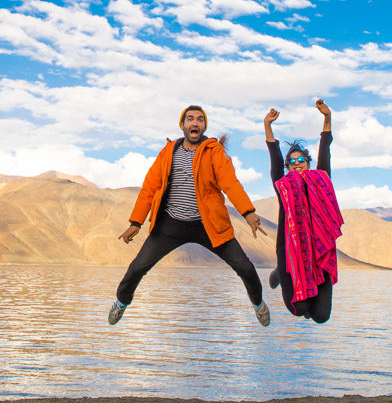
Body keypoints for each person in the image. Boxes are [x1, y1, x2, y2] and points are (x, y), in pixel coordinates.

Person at [108, 105, 271, 326]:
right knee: (137, 268)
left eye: (200, 120)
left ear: (204, 126)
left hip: (208, 225)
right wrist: (136, 222)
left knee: (246, 268)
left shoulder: (214, 152)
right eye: (190, 119)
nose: (195, 123)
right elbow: (149, 188)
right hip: (170, 224)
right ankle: (121, 302)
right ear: (182, 125)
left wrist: (248, 212)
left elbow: (230, 184)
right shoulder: (168, 153)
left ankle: (258, 304)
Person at [263, 99, 340, 323]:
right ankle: (281, 270)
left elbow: (325, 149)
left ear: (308, 162)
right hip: (290, 251)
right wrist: (268, 126)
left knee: (320, 316)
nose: (297, 163)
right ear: (287, 167)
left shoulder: (322, 179)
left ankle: (286, 275)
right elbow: (274, 159)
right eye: (292, 161)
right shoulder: (283, 185)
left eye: (301, 160)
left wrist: (327, 118)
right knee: (299, 310)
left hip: (319, 250)